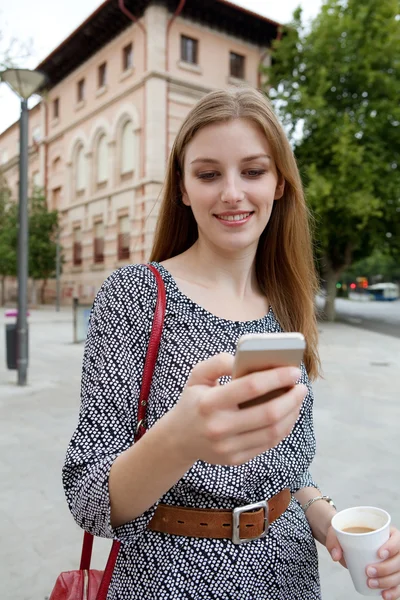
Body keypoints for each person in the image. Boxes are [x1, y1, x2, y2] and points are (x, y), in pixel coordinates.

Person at [63, 87, 400, 600]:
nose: (232, 193)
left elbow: (290, 466)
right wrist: (177, 441)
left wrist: (330, 522)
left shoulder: (287, 306)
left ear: (280, 183)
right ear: (182, 188)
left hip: (288, 577)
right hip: (168, 581)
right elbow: (88, 498)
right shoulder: (134, 294)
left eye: (253, 170)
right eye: (208, 174)